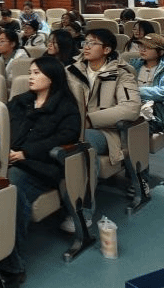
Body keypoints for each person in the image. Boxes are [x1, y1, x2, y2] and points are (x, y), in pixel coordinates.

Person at [0, 57, 81, 287]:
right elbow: (0, 126)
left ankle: (12, 265)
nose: (31, 77)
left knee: (12, 189)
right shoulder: (20, 101)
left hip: (39, 166)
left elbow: (66, 137)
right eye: (30, 72)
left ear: (51, 77)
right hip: (7, 160)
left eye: (36, 73)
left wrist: (25, 153)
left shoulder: (66, 107)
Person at [65, 28, 141, 230]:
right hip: (71, 127)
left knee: (84, 144)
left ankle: (83, 211)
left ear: (107, 50)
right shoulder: (71, 70)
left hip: (105, 132)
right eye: (85, 42)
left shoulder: (121, 74)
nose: (86, 46)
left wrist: (90, 120)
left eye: (93, 43)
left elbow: (131, 108)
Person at [129, 34, 164, 133]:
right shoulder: (133, 65)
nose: (142, 50)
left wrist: (138, 91)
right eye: (141, 46)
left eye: (148, 47)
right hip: (130, 104)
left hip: (154, 109)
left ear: (160, 52)